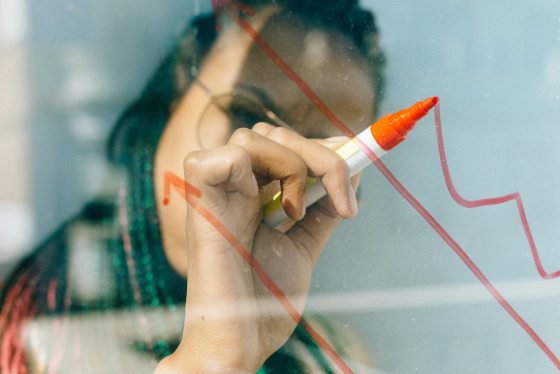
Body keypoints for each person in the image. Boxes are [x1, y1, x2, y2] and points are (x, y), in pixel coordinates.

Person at [0, 0, 385, 372]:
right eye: (245, 115)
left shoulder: (335, 355)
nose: (270, 173)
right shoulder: (25, 325)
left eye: (314, 170)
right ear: (178, 88)